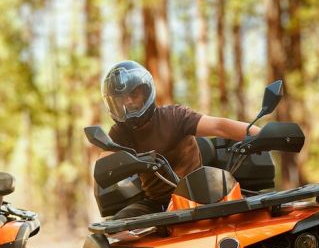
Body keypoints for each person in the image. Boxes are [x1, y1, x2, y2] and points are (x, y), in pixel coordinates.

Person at [101, 60, 261, 219]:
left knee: (259, 216)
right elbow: (104, 166)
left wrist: (264, 135)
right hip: (158, 205)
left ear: (145, 92)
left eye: (133, 94)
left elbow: (219, 126)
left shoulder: (175, 116)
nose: (128, 101)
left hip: (201, 193)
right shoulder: (120, 133)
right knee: (116, 231)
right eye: (120, 98)